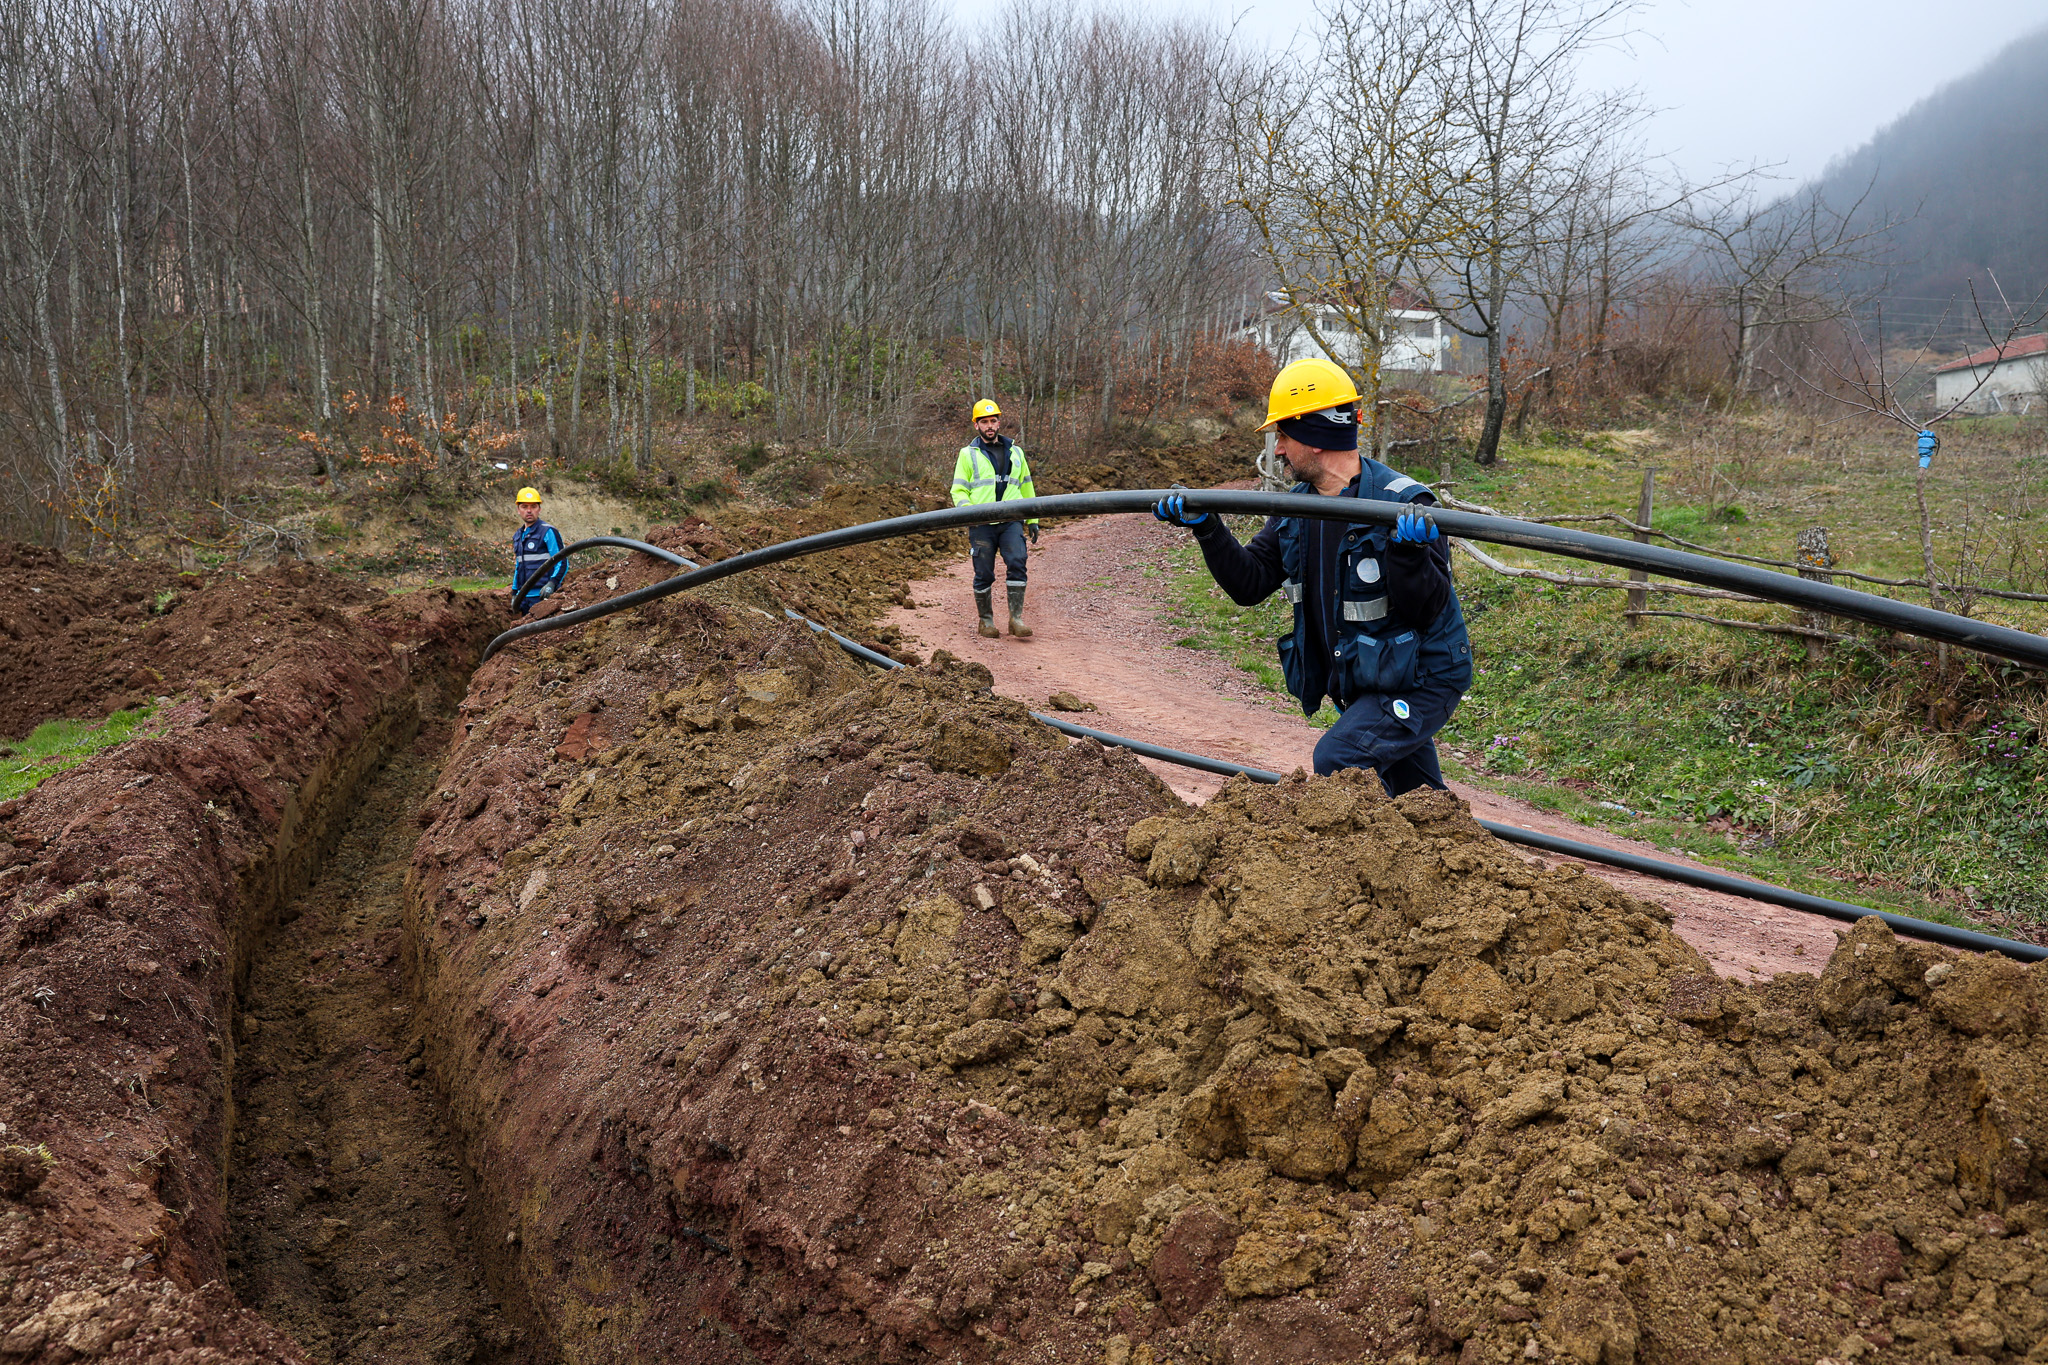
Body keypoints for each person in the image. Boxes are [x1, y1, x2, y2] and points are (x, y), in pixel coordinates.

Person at [1152, 357, 1472, 795]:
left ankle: (1352, 862)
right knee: (1418, 800)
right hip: (1372, 678)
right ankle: (1457, 855)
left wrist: (1408, 551)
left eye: (1283, 435)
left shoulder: (1404, 504)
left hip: (1423, 676)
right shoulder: (1299, 509)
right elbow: (1250, 584)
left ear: (1315, 436)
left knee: (1340, 758)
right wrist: (1208, 526)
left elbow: (1425, 609)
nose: (1278, 449)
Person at [950, 398, 1040, 638]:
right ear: (976, 425)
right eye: (984, 422)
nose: (990, 426)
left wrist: (1033, 520)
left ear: (999, 422)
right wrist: (969, 511)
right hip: (981, 522)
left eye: (993, 421)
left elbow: (1027, 487)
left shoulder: (1016, 452)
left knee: (1018, 561)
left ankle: (1016, 619)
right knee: (984, 572)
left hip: (1011, 519)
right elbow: (958, 490)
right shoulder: (968, 454)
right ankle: (986, 621)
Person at [511, 487, 566, 615]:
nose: (529, 510)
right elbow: (519, 566)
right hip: (524, 597)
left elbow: (562, 561)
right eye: (524, 506)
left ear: (539, 509)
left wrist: (552, 584)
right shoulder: (518, 535)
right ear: (518, 510)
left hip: (543, 596)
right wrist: (514, 593)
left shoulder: (548, 532)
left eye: (533, 506)